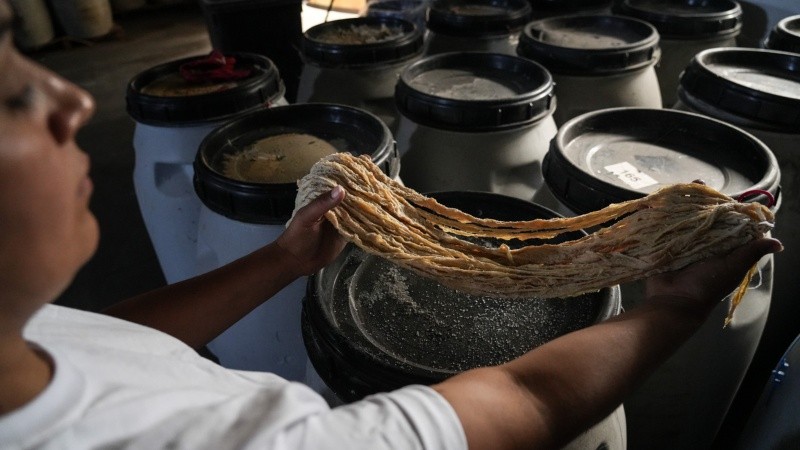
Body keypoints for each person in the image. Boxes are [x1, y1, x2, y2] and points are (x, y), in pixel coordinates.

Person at [0, 1, 783, 448]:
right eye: (8, 98)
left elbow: (110, 341)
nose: (71, 100)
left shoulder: (22, 347)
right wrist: (677, 306)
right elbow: (531, 404)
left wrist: (279, 261)